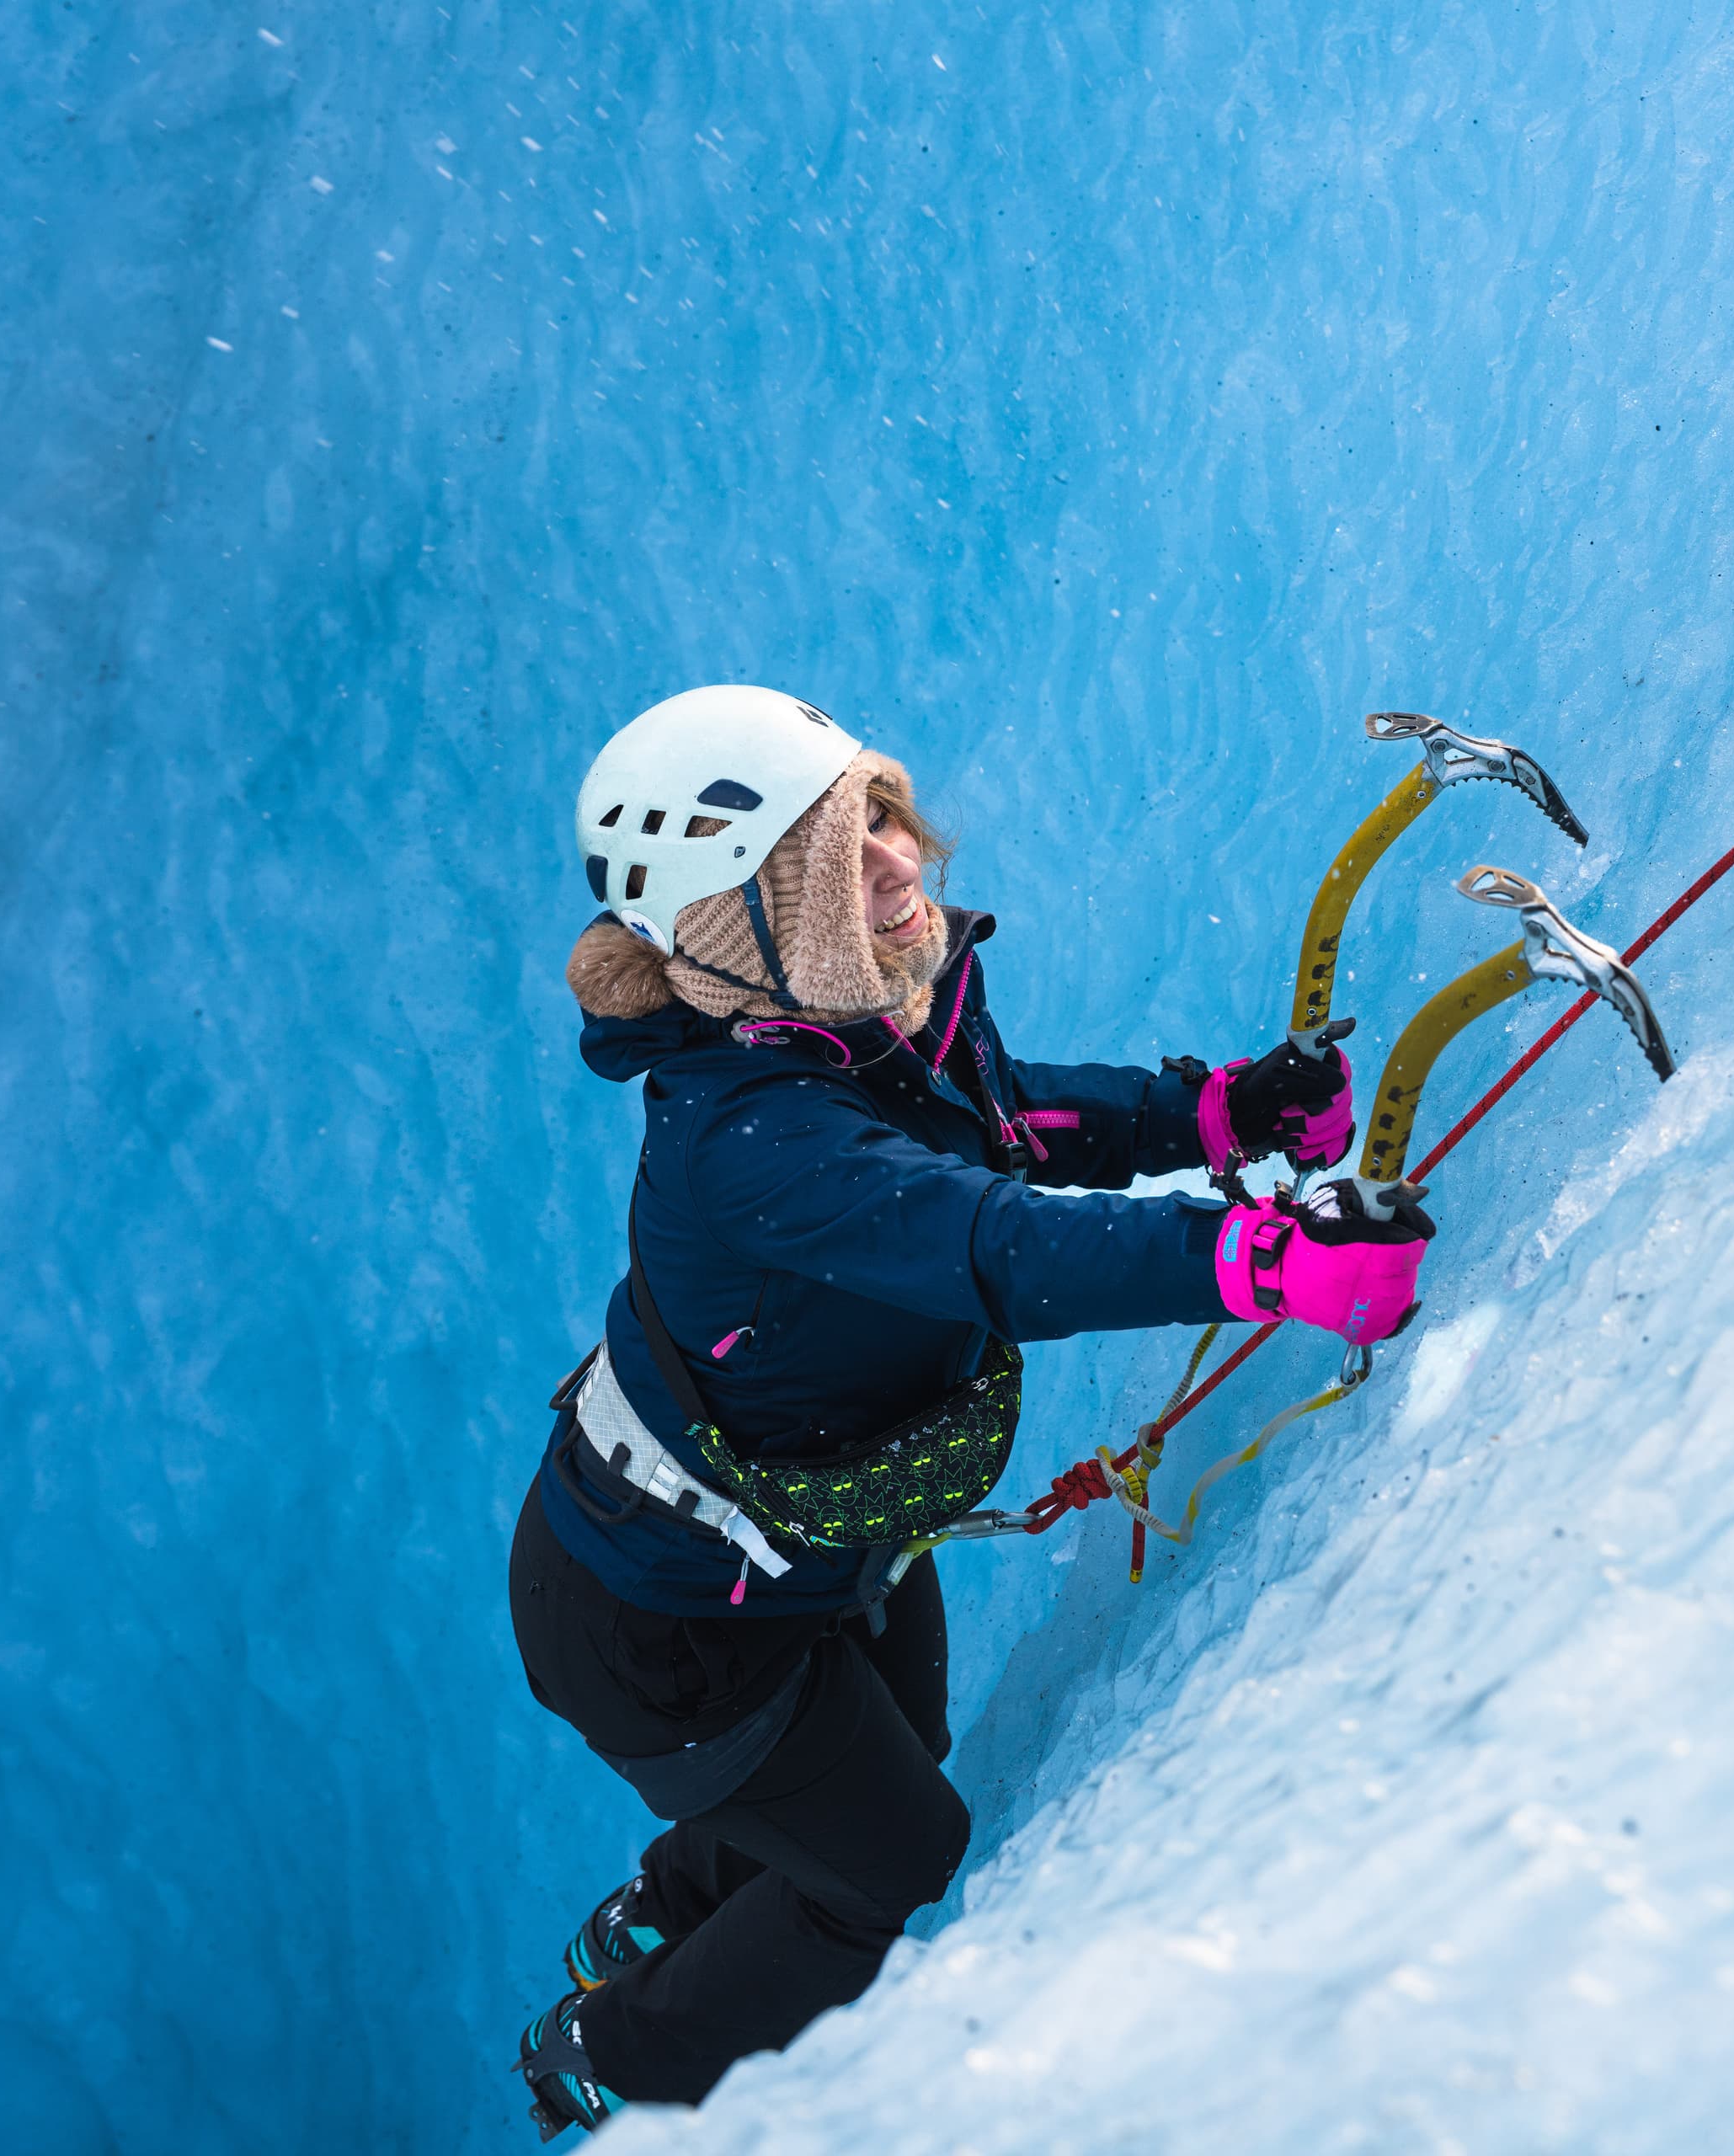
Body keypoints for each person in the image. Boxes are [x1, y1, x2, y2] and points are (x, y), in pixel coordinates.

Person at [507, 685, 1438, 2133]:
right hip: (664, 1622)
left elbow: (1000, 1120)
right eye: (836, 853)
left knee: (898, 1749)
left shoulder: (858, 1014)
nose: (897, 859)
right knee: (894, 1860)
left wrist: (1212, 1117)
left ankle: (665, 1909)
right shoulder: (751, 1140)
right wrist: (1256, 1258)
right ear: (737, 928)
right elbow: (985, 1239)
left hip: (800, 1532)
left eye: (881, 814)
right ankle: (604, 2049)